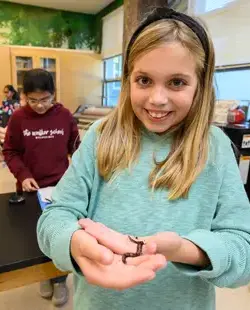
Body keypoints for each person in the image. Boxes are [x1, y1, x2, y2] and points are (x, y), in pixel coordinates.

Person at [37, 8, 250, 310]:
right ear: (127, 80)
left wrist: (183, 250)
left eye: (177, 82)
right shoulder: (101, 136)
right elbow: (54, 219)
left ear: (200, 85)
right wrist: (74, 243)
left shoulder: (214, 148)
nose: (157, 99)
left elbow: (243, 249)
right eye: (144, 80)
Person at [3, 68, 80, 306]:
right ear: (24, 96)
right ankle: (42, 276)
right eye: (33, 100)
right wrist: (23, 175)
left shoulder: (65, 116)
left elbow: (76, 149)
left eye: (45, 99)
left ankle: (58, 280)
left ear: (53, 94)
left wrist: (77, 175)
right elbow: (10, 151)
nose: (39, 106)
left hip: (60, 188)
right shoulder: (18, 118)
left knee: (61, 235)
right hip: (29, 189)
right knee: (33, 237)